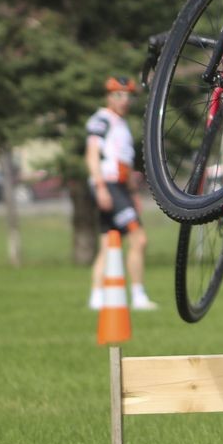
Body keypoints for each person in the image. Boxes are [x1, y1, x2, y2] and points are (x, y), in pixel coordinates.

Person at [86, 76, 154, 311]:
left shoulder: (121, 123)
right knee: (139, 238)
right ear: (109, 96)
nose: (124, 100)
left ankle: (96, 296)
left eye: (128, 95)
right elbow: (92, 155)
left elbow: (125, 163)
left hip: (121, 187)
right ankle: (138, 294)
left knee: (108, 242)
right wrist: (101, 187)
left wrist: (133, 193)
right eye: (118, 95)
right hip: (109, 186)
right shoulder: (102, 120)